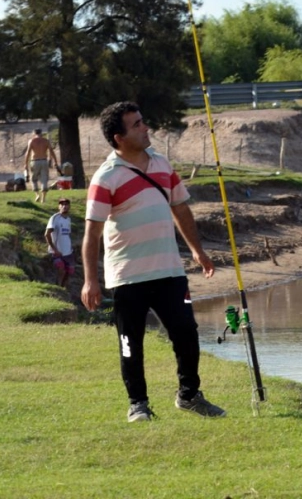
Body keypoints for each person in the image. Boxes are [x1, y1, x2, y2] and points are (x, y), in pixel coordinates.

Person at [81, 101, 224, 423]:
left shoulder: (161, 164)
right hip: (126, 276)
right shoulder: (106, 177)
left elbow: (181, 209)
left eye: (143, 121)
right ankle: (138, 404)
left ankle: (189, 395)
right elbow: (91, 234)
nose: (146, 128)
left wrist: (198, 251)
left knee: (186, 331)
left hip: (170, 272)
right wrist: (91, 281)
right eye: (137, 125)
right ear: (119, 137)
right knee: (130, 342)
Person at [45, 197, 75, 288]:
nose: (64, 206)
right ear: (59, 206)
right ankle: (58, 288)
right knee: (61, 269)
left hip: (68, 251)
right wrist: (54, 249)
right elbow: (47, 234)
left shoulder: (68, 219)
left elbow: (67, 234)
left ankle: (63, 287)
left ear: (69, 206)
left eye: (66, 204)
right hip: (57, 251)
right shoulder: (55, 218)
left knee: (69, 271)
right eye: (62, 204)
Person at [24, 128, 59, 203]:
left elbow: (28, 153)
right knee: (44, 179)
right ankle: (43, 199)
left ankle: (37, 194)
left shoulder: (32, 141)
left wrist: (25, 164)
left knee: (34, 179)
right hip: (44, 161)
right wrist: (55, 161)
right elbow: (51, 151)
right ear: (41, 133)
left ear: (34, 133)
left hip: (35, 161)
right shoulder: (46, 141)